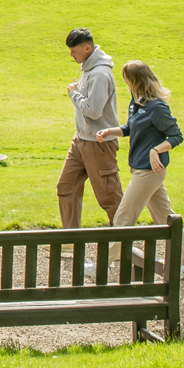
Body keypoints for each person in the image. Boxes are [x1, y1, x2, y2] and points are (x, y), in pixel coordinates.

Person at [96, 61, 184, 281]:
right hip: (139, 169)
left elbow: (176, 136)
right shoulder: (136, 103)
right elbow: (129, 128)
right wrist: (109, 132)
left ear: (135, 81)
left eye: (126, 78)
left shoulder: (157, 107)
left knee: (124, 216)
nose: (124, 82)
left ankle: (103, 267)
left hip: (149, 171)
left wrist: (156, 149)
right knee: (166, 218)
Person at [57, 27, 122, 229]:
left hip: (99, 143)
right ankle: (70, 239)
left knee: (109, 197)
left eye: (74, 51)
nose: (71, 55)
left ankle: (123, 239)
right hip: (81, 140)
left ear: (87, 48)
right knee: (66, 186)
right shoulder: (87, 68)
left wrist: (74, 94)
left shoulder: (100, 74)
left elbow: (94, 111)